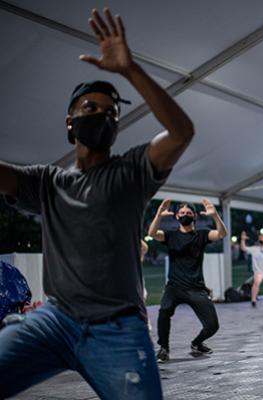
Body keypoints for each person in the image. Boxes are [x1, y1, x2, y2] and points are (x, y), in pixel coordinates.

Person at [0, 8, 194, 399]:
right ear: (70, 122)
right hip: (55, 320)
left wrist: (130, 69)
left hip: (119, 328)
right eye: (91, 108)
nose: (102, 114)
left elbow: (181, 131)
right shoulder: (47, 182)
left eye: (111, 112)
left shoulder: (132, 171)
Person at [148, 199, 227, 363]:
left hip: (196, 288)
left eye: (188, 213)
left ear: (195, 217)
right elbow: (152, 233)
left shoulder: (202, 234)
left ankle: (197, 343)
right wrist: (158, 215)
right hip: (174, 286)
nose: (185, 215)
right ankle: (163, 348)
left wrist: (215, 215)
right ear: (176, 216)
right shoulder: (170, 236)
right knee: (164, 311)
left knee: (213, 326)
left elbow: (222, 234)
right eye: (182, 213)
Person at [240, 230, 263, 307]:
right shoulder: (255, 248)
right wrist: (242, 239)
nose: (262, 238)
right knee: (256, 282)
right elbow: (243, 248)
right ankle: (253, 300)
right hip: (258, 271)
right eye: (261, 237)